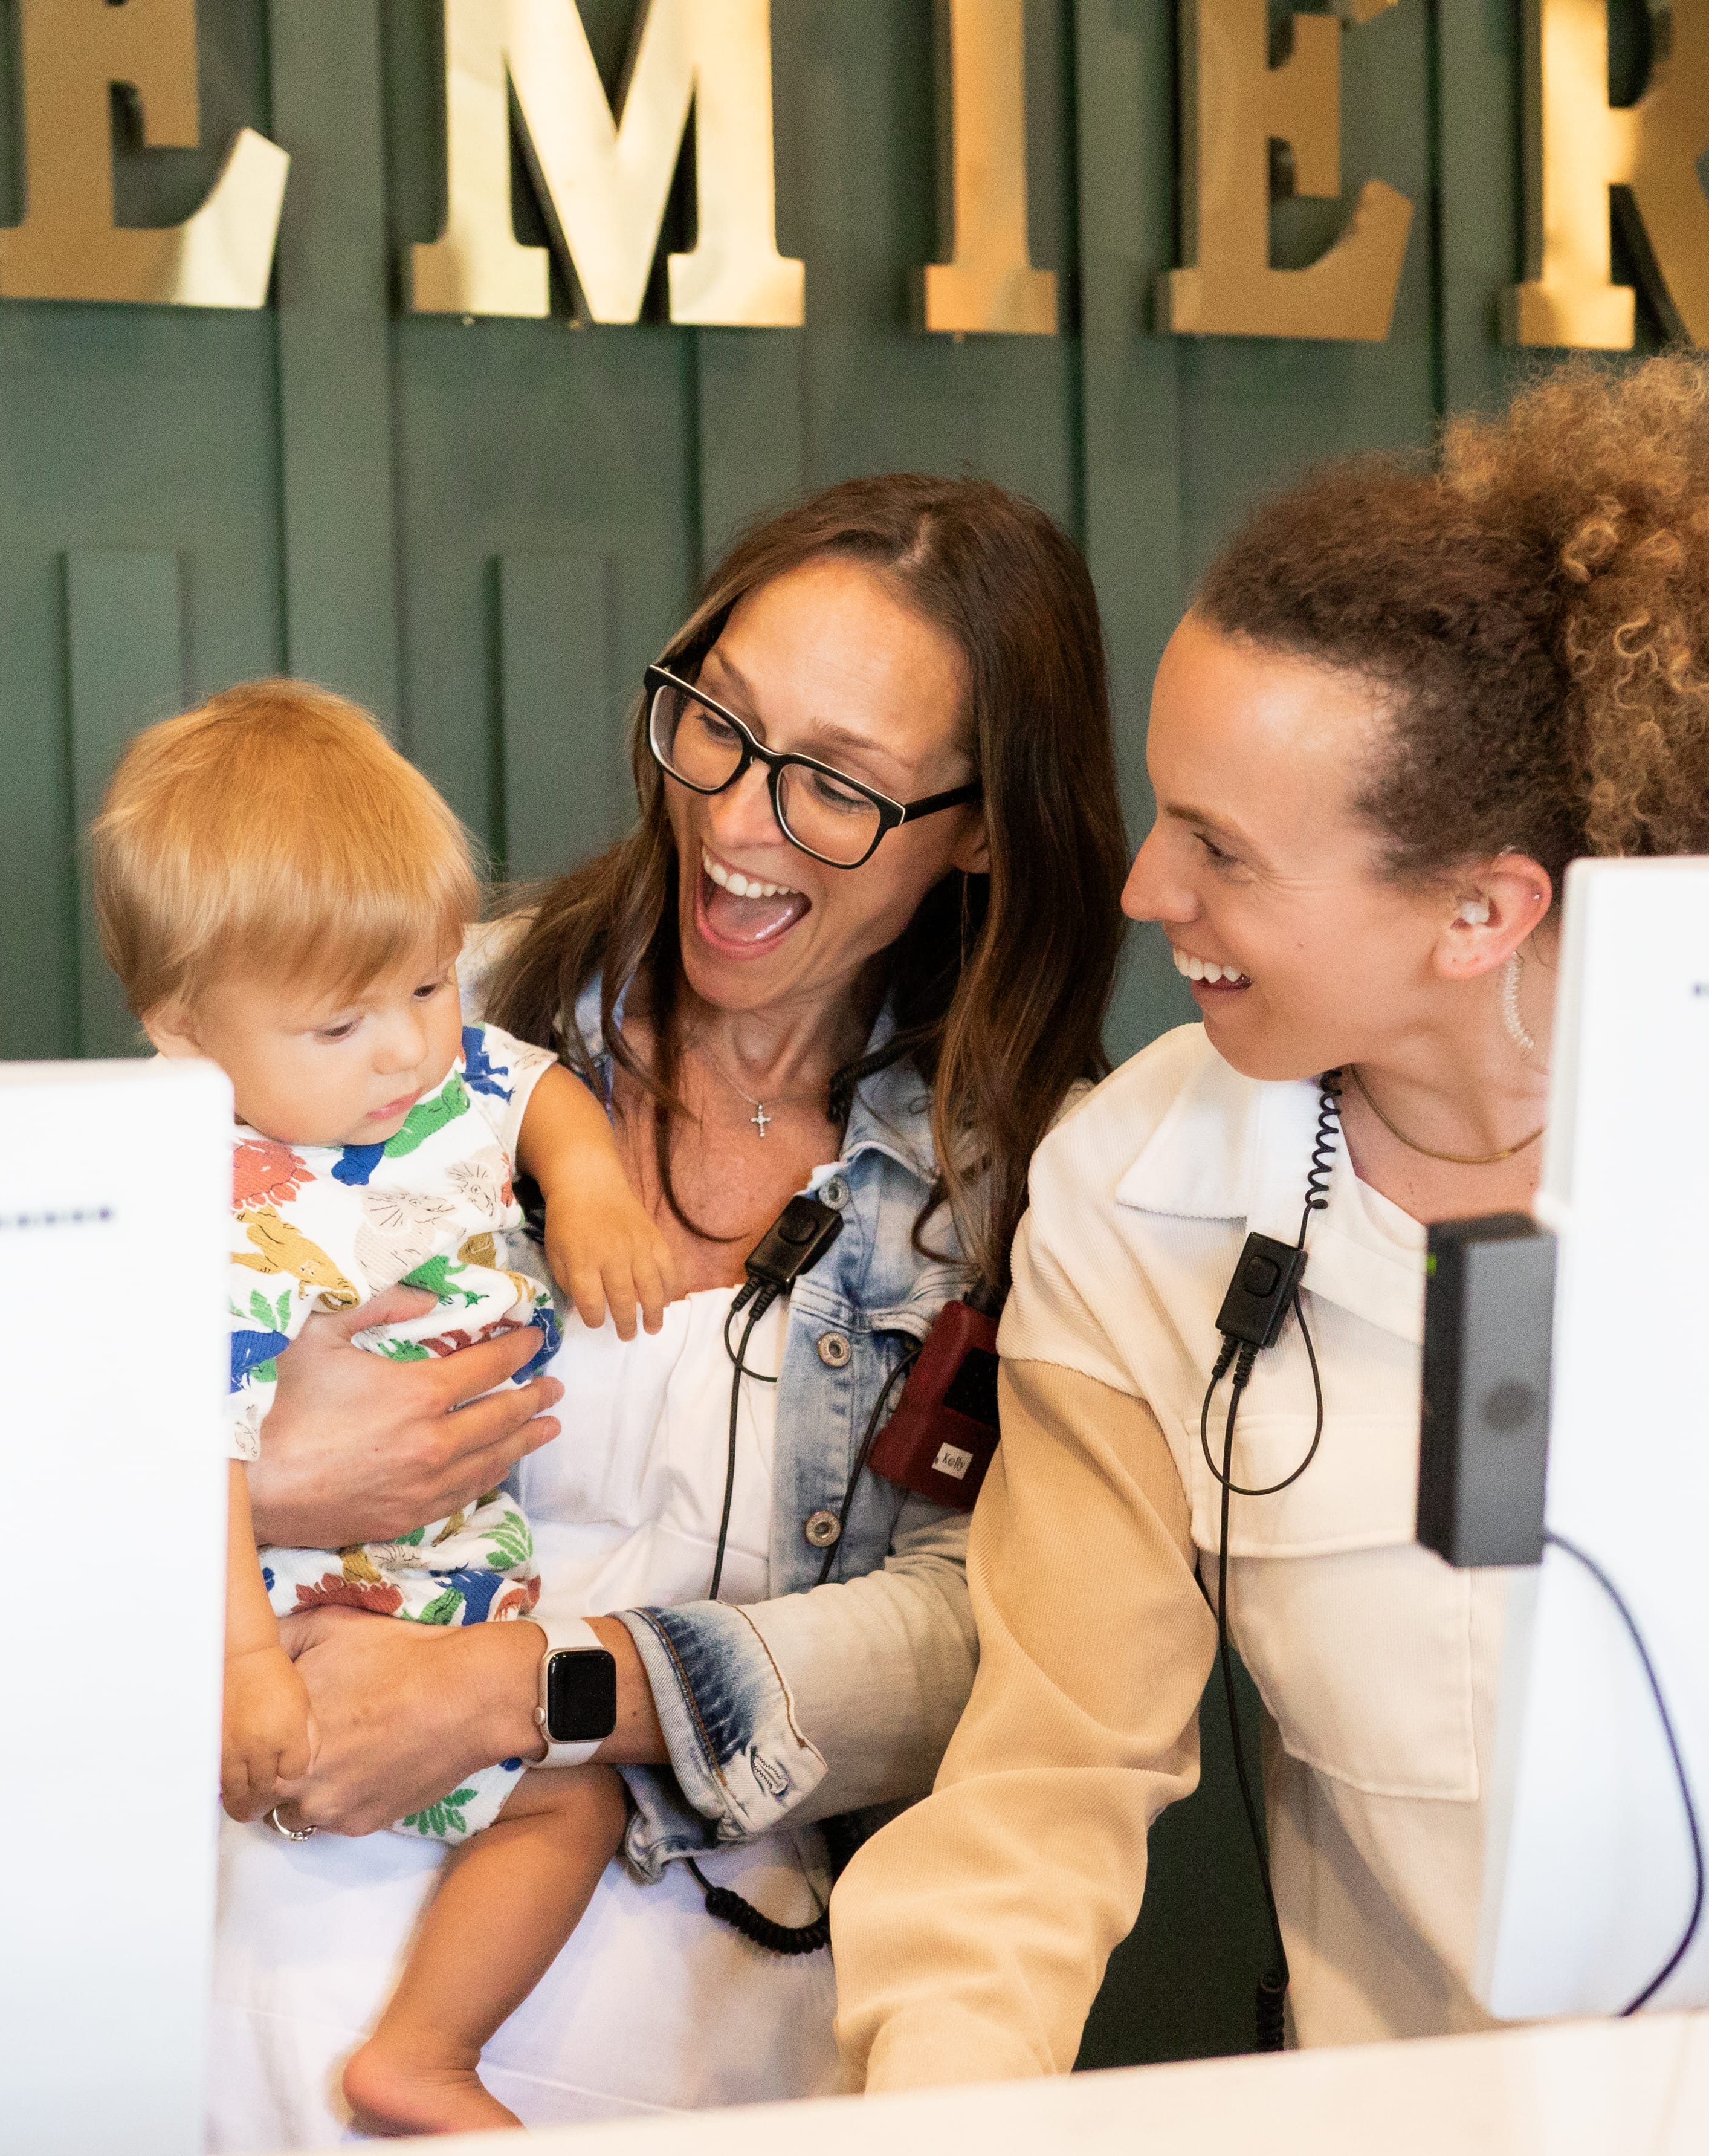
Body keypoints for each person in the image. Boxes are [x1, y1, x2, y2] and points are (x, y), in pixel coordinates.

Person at [829, 357, 1709, 2081]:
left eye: (1221, 851)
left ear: (1480, 911)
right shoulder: (1137, 1188)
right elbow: (1043, 1780)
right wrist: (938, 2112)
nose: (1147, 892)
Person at [205, 474, 1131, 2145]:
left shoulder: (1028, 1179)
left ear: (983, 827)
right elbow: (24, 1434)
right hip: (255, 1928)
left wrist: (534, 1687)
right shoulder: (400, 1011)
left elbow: (990, 1648)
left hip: (700, 2015)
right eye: (718, 723)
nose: (742, 821)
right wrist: (266, 1488)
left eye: (839, 786)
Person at [90, 684, 679, 2135]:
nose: (408, 1049)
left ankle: (422, 2050)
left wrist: (591, 1181)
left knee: (583, 1799)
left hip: (471, 1594)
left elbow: (529, 1087)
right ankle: (400, 2055)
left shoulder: (436, 1079)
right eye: (343, 1021)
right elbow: (206, 1457)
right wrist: (248, 1671)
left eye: (427, 984)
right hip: (301, 1620)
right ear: (183, 1033)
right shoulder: (209, 1205)